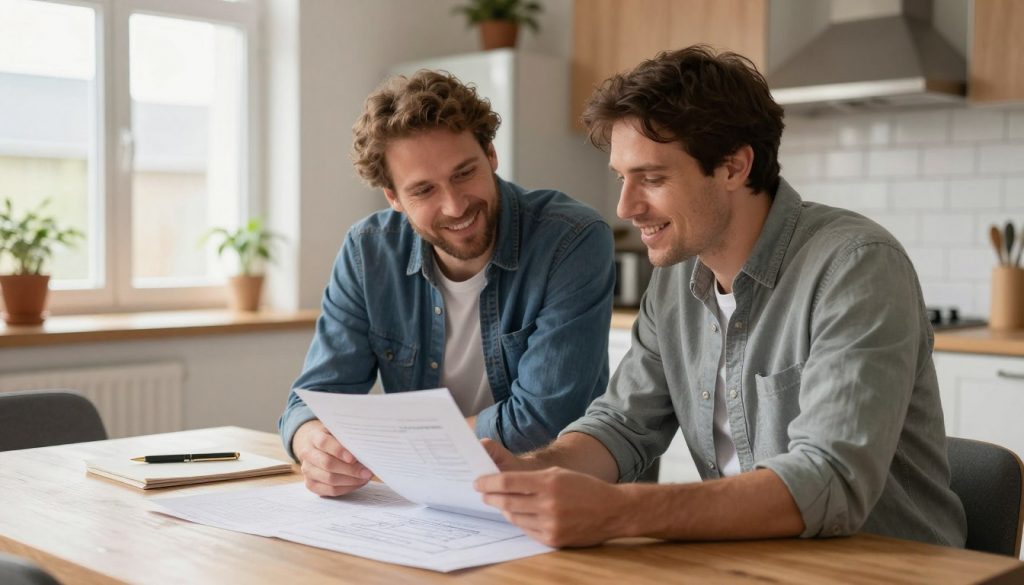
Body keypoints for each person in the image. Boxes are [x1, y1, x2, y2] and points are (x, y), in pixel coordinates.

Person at [474, 45, 967, 549]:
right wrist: (530, 471)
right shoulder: (675, 278)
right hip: (754, 563)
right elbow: (621, 425)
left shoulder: (855, 264)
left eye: (652, 178)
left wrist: (618, 511)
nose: (625, 207)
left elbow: (830, 480)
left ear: (734, 167)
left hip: (892, 568)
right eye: (622, 179)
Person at [279, 70, 615, 498]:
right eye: (424, 190)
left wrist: (390, 445)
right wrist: (313, 446)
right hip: (432, 506)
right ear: (393, 198)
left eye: (464, 173)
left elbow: (541, 422)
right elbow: (312, 400)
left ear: (491, 154)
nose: (455, 205)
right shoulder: (369, 252)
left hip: (562, 500)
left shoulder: (570, 238)